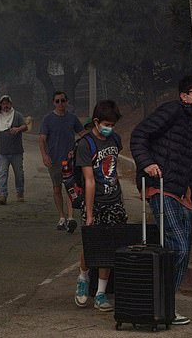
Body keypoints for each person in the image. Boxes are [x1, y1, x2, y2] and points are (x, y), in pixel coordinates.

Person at [130, 74, 192, 326]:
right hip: (161, 188)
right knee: (177, 247)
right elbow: (139, 135)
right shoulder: (172, 111)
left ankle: (167, 303)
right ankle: (162, 302)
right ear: (183, 95)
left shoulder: (189, 122)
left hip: (182, 195)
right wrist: (148, 164)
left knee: (184, 252)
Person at [73, 101, 126, 312]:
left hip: (114, 199)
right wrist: (89, 212)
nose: (109, 127)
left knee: (110, 246)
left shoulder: (115, 139)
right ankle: (83, 277)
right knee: (92, 244)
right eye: (106, 123)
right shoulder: (86, 144)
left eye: (112, 124)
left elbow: (114, 169)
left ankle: (101, 292)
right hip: (94, 201)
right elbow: (89, 180)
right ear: (96, 121)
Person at [39, 91, 85, 233]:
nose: (60, 104)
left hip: (70, 160)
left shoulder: (72, 118)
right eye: (57, 101)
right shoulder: (48, 119)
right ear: (53, 102)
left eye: (63, 101)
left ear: (67, 102)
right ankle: (62, 216)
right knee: (57, 188)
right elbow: (42, 139)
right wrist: (44, 155)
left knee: (70, 188)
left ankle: (71, 217)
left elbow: (82, 134)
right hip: (54, 159)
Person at [0, 95, 28, 205]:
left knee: (19, 174)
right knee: (2, 174)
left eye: (7, 103)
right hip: (2, 152)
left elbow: (25, 126)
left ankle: (20, 193)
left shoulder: (17, 115)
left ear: (11, 104)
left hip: (16, 151)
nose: (6, 106)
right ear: (0, 105)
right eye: (3, 103)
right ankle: (2, 195)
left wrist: (18, 129)